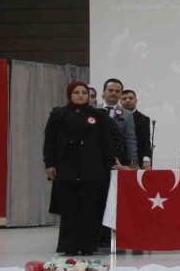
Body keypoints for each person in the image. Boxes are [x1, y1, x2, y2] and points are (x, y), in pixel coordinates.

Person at [43, 81, 115, 256]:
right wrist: (49, 164)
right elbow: (50, 141)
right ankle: (69, 246)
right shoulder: (58, 114)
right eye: (76, 92)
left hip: (92, 169)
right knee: (69, 209)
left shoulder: (98, 115)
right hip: (66, 168)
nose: (81, 95)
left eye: (84, 93)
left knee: (89, 209)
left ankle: (88, 246)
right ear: (70, 94)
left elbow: (106, 142)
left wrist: (109, 163)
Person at [98, 78, 138, 168]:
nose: (113, 93)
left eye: (117, 91)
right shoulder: (94, 109)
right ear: (104, 92)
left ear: (120, 94)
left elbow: (130, 140)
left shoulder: (127, 114)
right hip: (96, 158)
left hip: (118, 160)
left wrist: (133, 162)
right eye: (110, 90)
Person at [120, 89, 152, 170]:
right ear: (120, 102)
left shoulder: (144, 119)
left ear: (136, 100)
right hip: (119, 159)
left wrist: (146, 160)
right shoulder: (116, 117)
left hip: (138, 158)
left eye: (130, 98)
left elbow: (146, 141)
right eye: (124, 98)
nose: (127, 100)